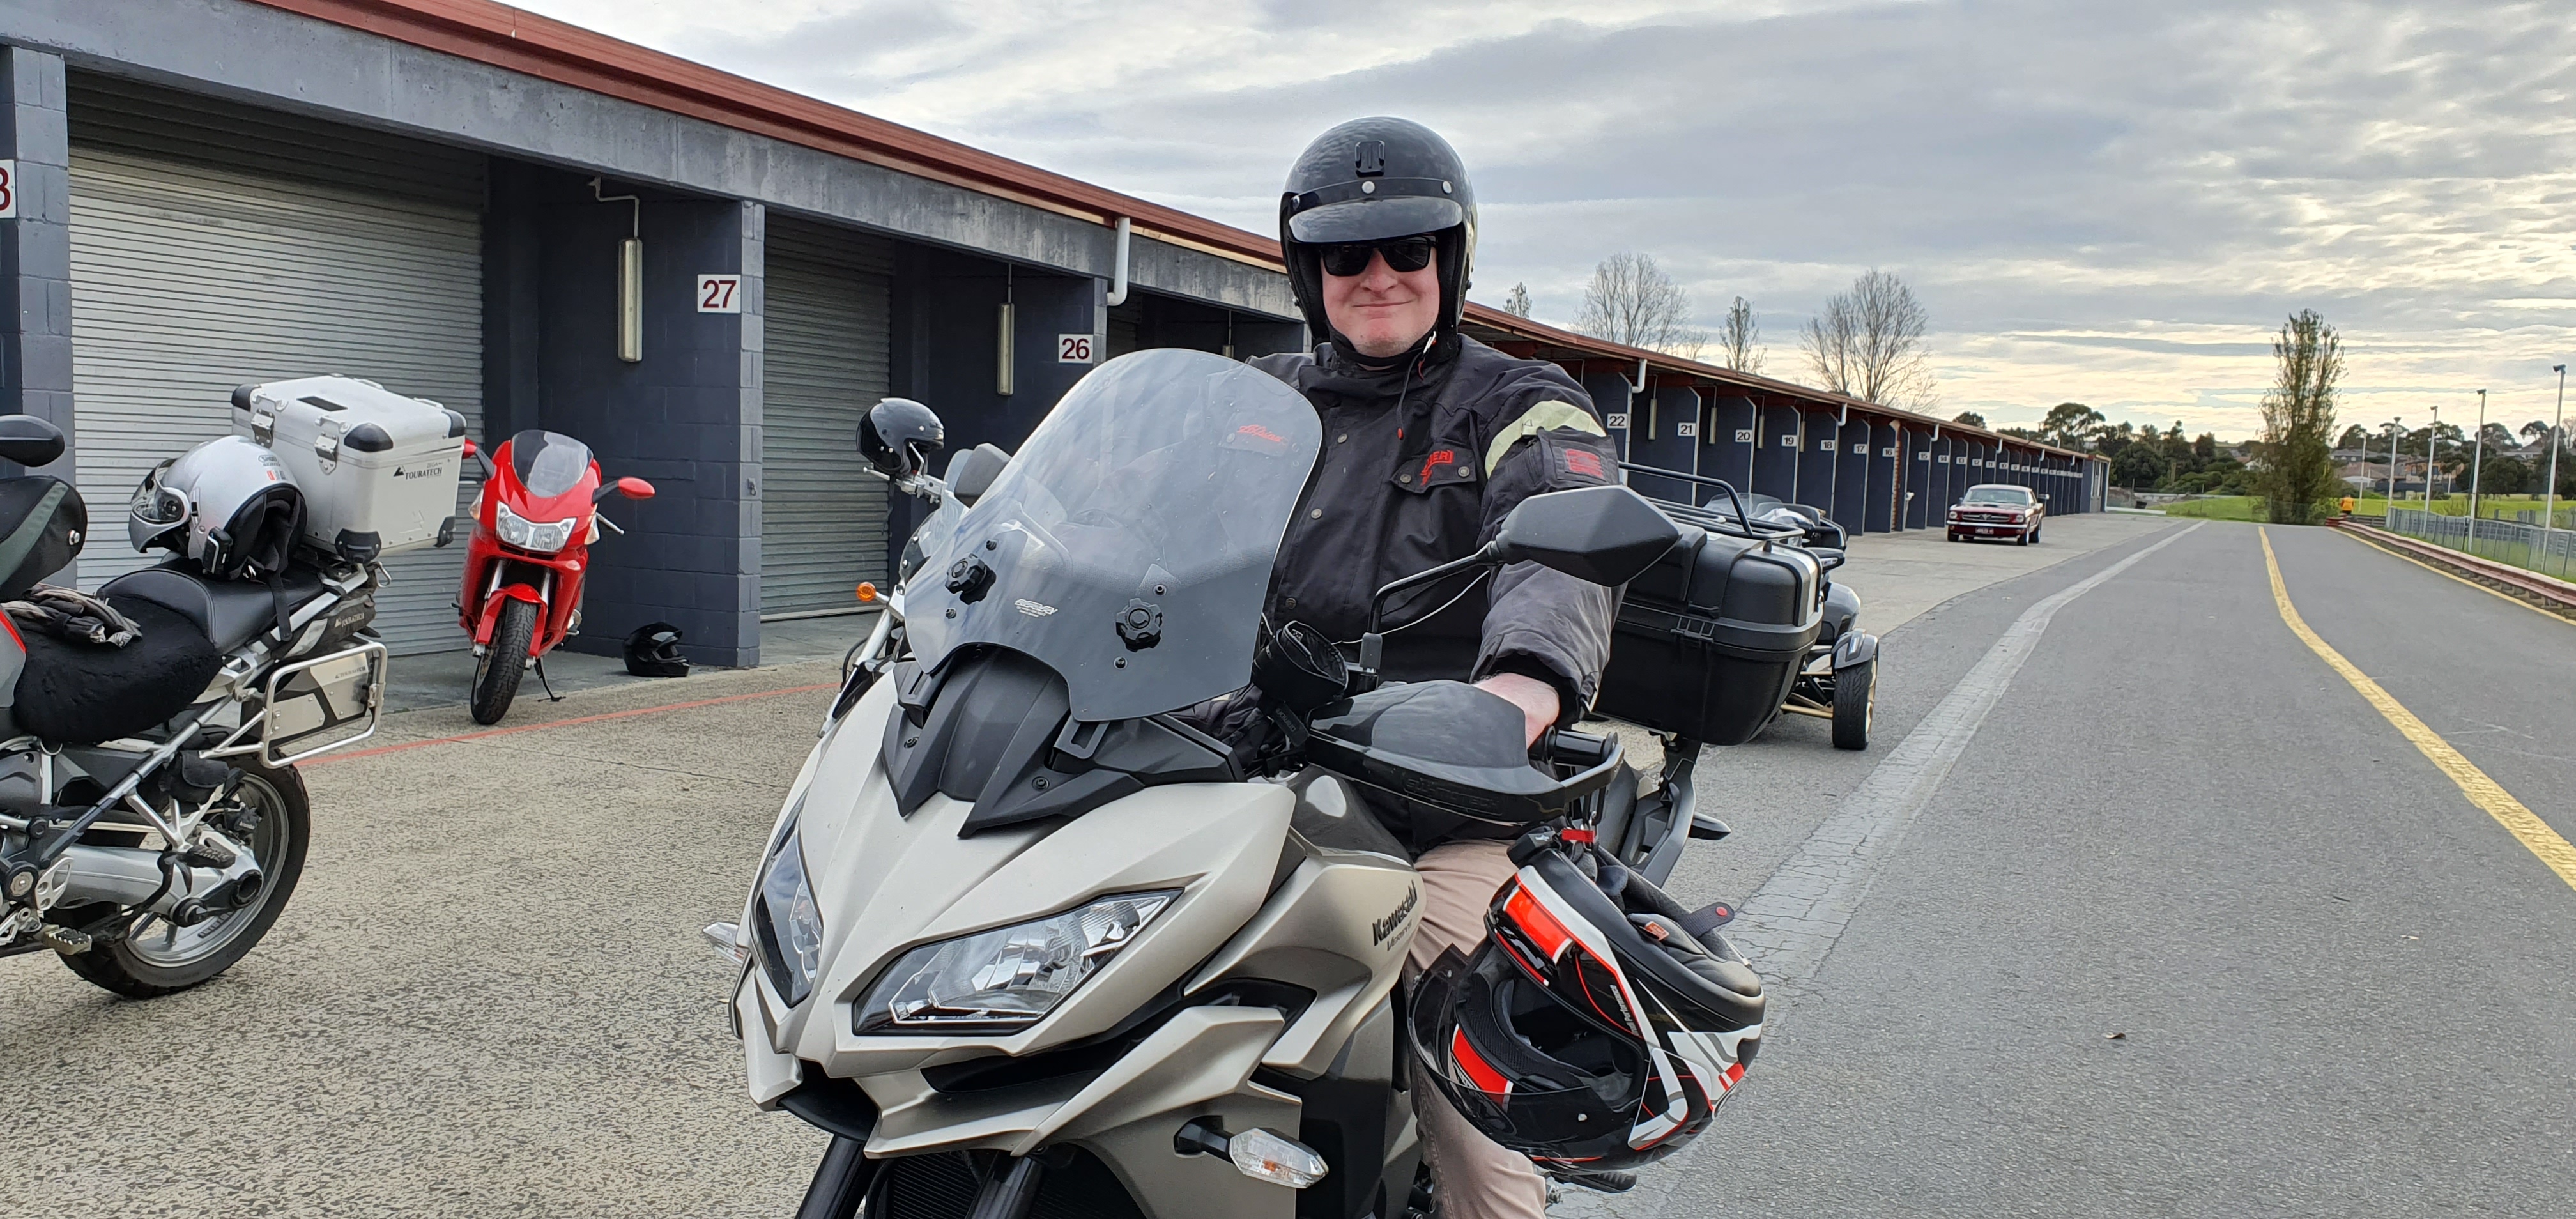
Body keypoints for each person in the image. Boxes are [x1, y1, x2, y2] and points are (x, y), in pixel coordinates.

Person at [1248, 116, 1621, 1219]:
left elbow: (1562, 532)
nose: (1378, 276)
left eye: (1407, 249)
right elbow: (1119, 518)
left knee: (1458, 1025)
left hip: (1432, 786)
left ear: (1449, 261)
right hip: (1243, 759)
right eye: (1346, 255)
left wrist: (1520, 690)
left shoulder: (1518, 399)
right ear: (1306, 269)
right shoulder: (1260, 402)